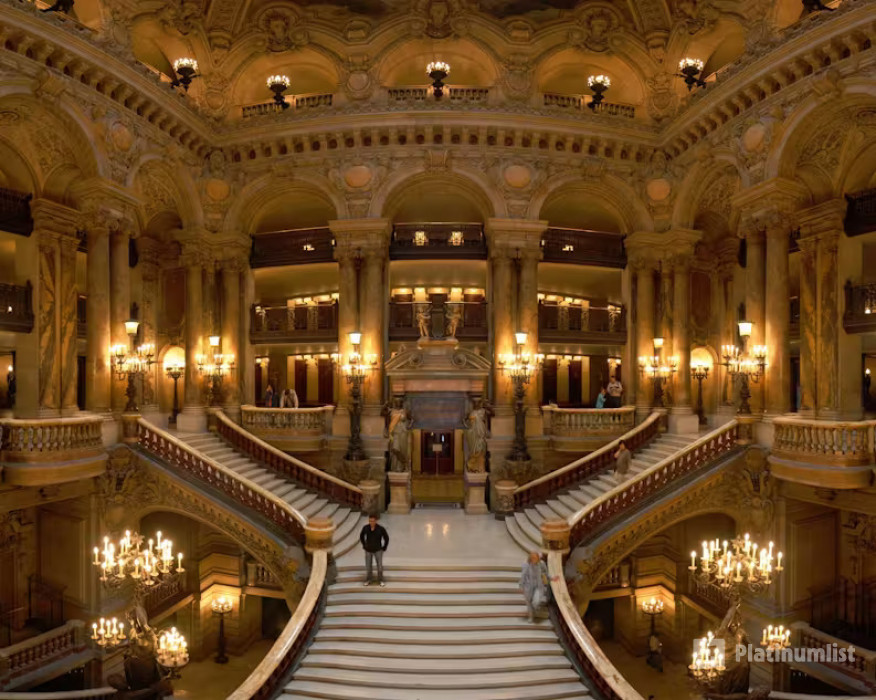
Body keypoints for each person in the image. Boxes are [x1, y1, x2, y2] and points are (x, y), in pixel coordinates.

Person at [519, 551, 555, 622]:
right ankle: (531, 616)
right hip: (529, 587)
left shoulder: (542, 564)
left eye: (535, 558)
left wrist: (551, 578)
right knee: (529, 602)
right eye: (532, 558)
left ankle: (534, 609)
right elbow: (523, 576)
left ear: (538, 558)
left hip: (538, 586)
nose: (533, 559)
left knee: (536, 602)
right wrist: (521, 586)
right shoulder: (526, 565)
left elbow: (546, 574)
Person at [359, 514, 389, 586]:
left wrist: (384, 547)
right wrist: (364, 545)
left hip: (378, 549)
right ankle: (368, 579)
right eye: (370, 521)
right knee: (368, 566)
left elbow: (386, 538)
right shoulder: (365, 528)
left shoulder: (381, 529)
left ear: (376, 521)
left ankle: (381, 580)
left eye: (373, 521)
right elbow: (361, 536)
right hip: (368, 550)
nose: (371, 522)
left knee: (379, 566)